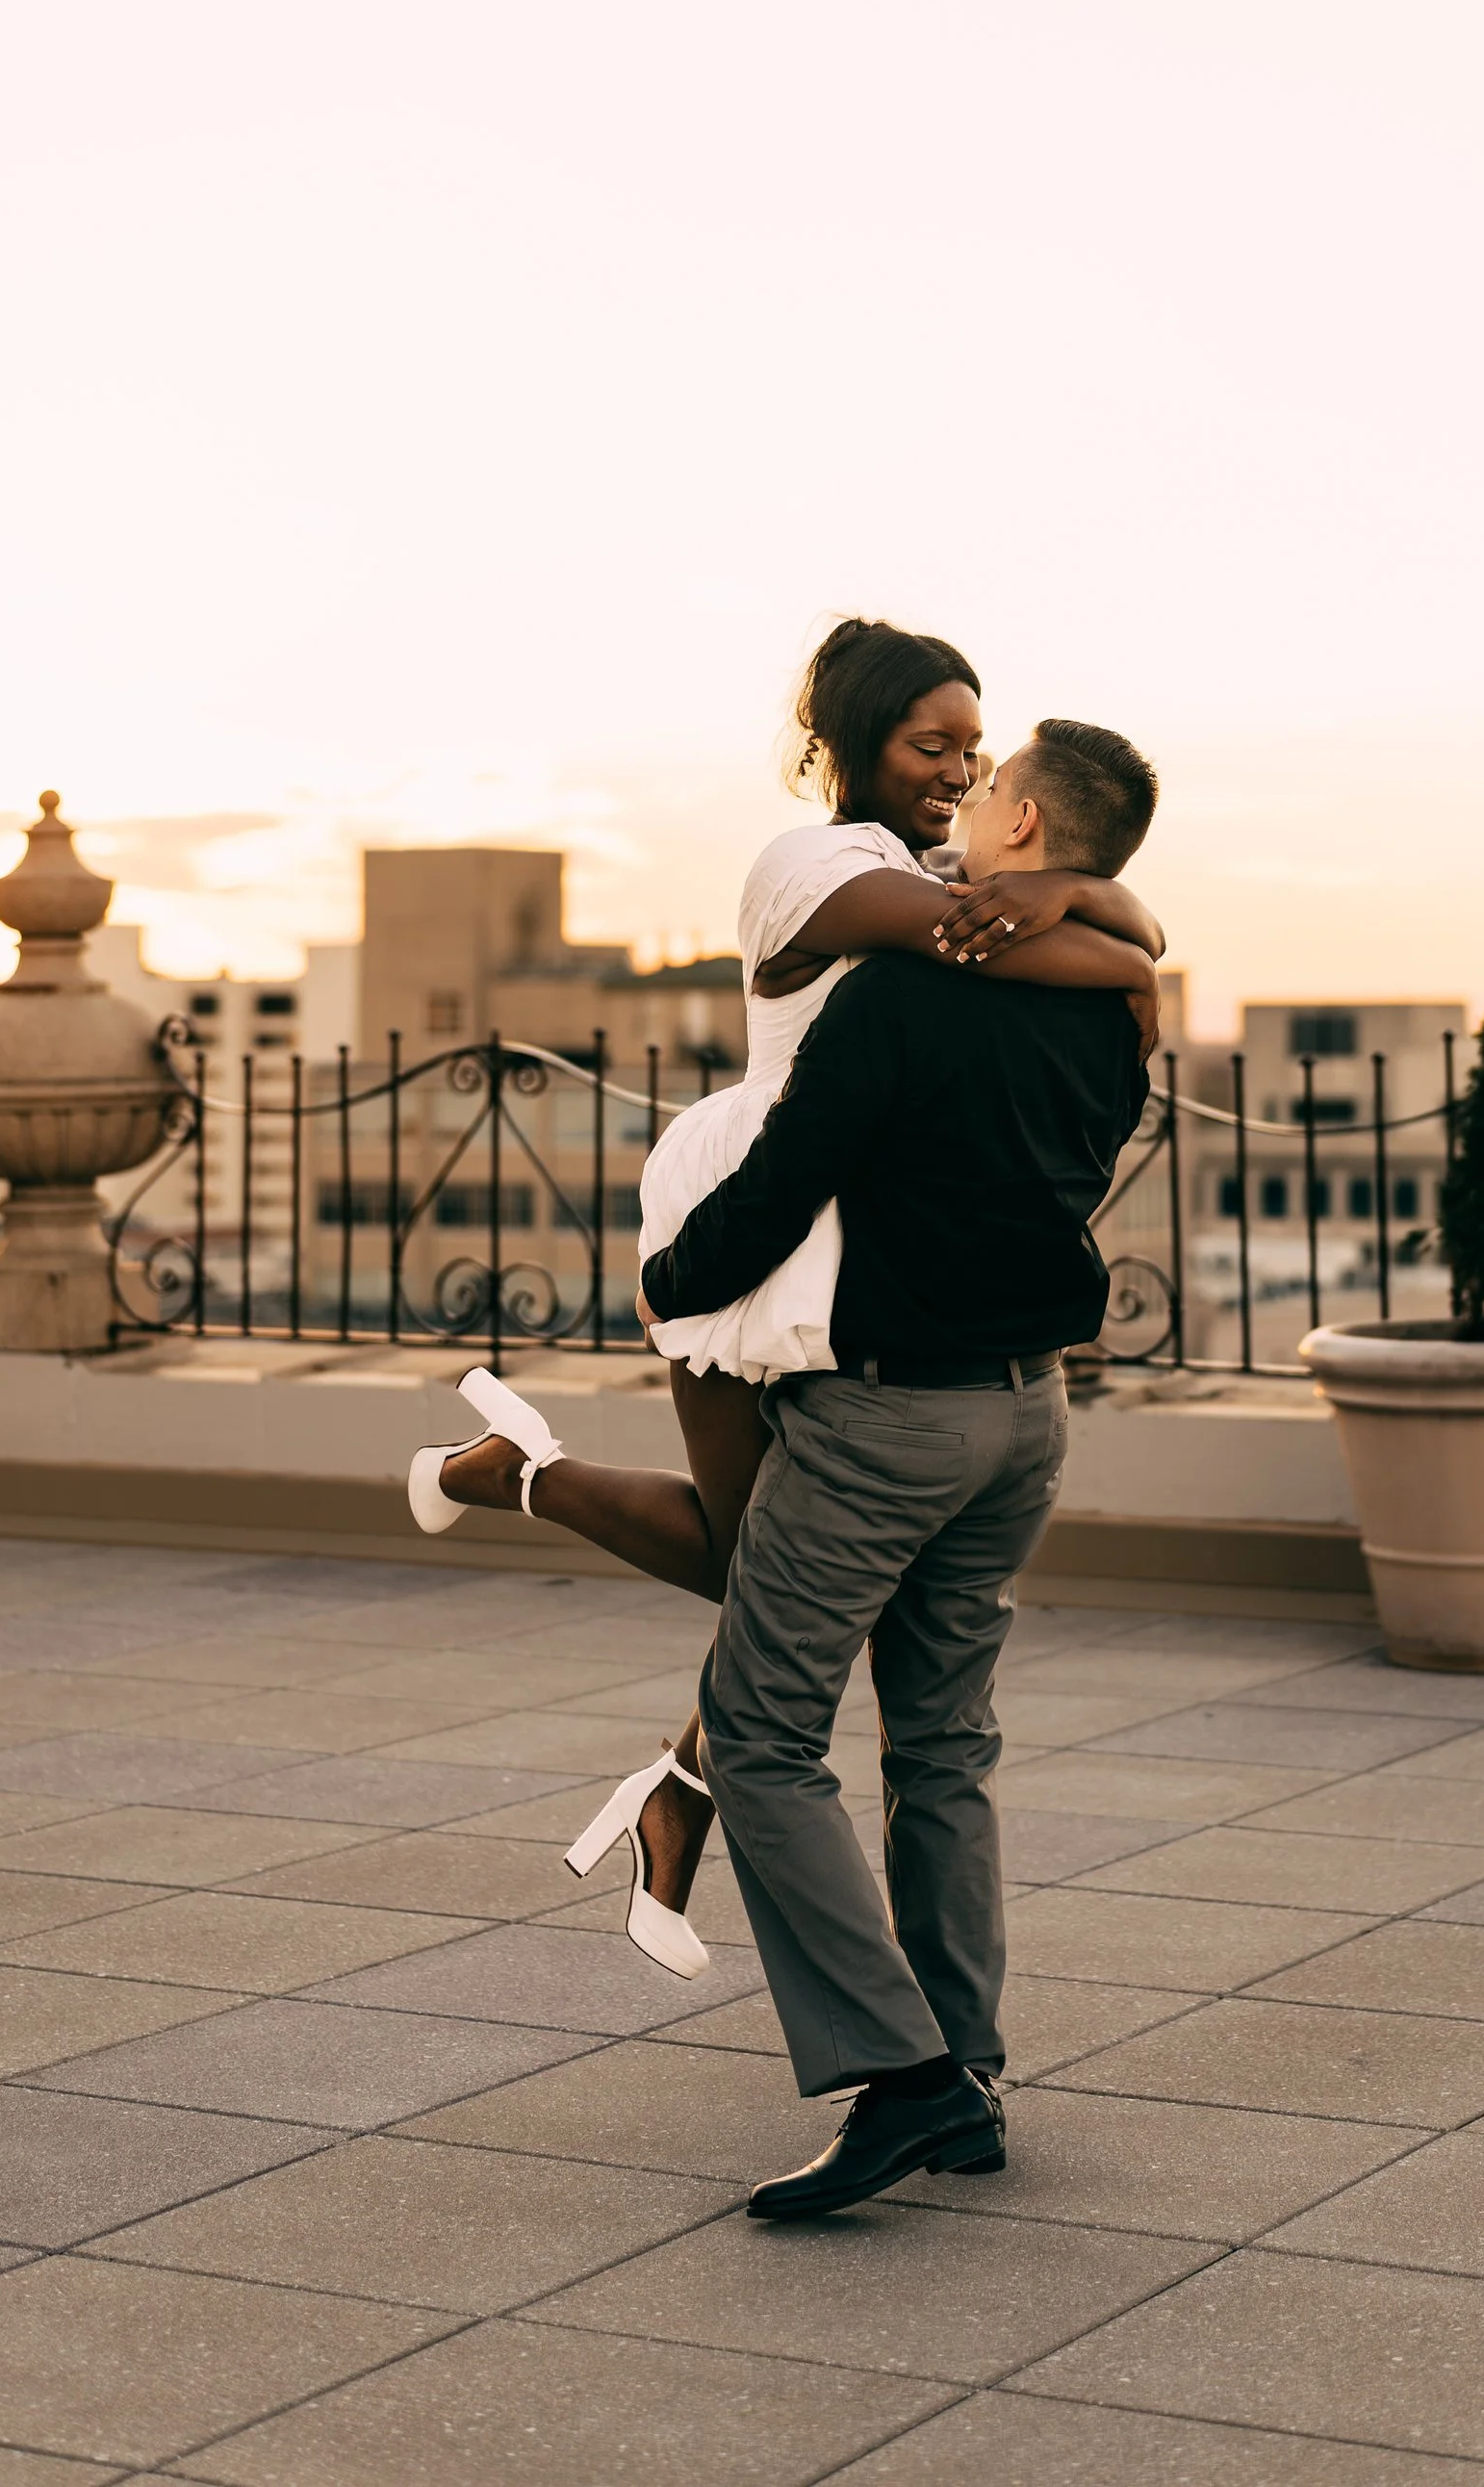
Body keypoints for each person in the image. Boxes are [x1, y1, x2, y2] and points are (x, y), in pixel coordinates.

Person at [400, 622, 1162, 1966]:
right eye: (933, 743)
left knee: (784, 1582)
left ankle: (667, 1762)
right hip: (750, 1211)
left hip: (847, 1235)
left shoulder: (943, 861)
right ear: (851, 738)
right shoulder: (813, 866)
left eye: (974, 751)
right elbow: (1015, 945)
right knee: (765, 1572)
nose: (957, 768)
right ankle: (540, 1503)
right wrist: (1086, 913)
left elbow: (1110, 935)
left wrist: (1084, 901)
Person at [640, 716, 1161, 2215]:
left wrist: (672, 1280)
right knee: (942, 1743)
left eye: (991, 786)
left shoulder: (897, 1000)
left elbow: (780, 1180)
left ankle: (906, 2076)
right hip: (1026, 1417)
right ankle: (971, 2072)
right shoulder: (1121, 1007)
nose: (968, 796)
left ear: (1022, 832)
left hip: (887, 1422)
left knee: (757, 1730)